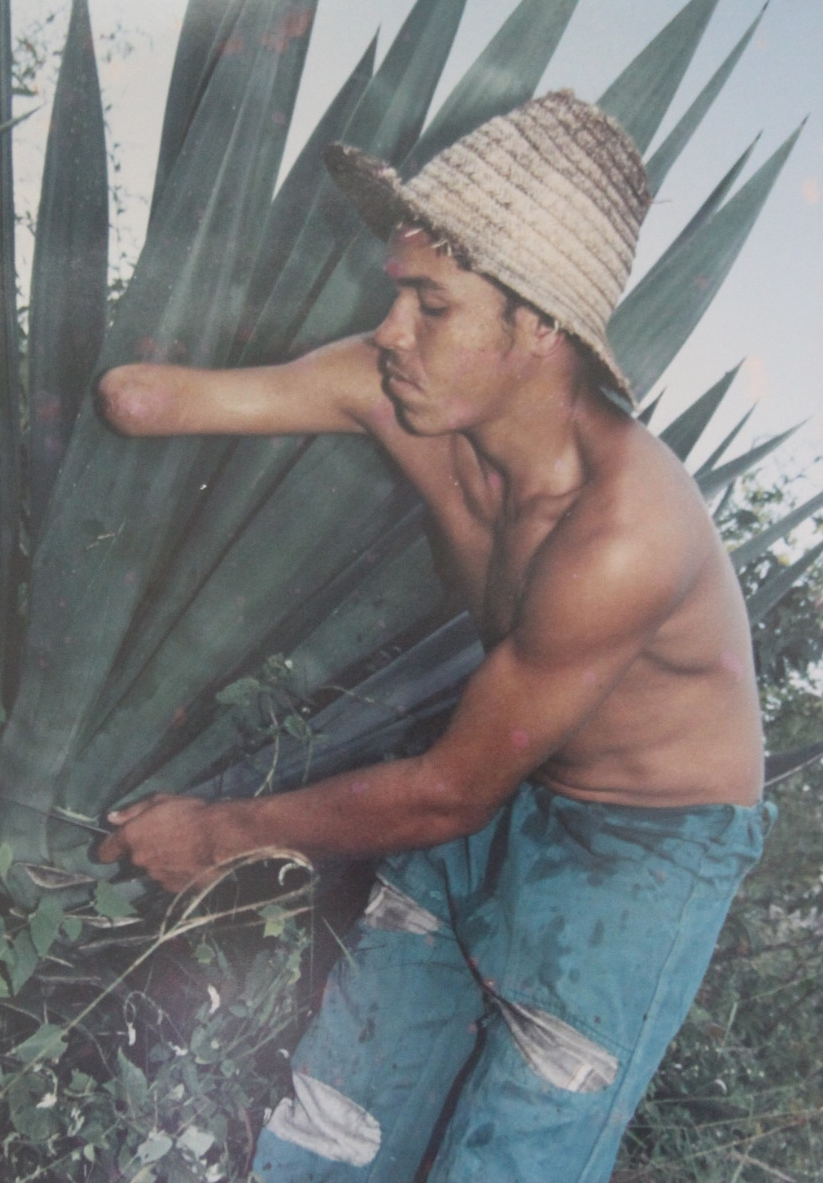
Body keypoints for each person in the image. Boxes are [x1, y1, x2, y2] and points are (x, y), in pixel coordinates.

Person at [95, 91, 772, 1183]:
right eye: (396, 293)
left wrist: (217, 831)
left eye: (432, 306)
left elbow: (447, 792)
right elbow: (139, 399)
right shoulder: (394, 391)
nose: (389, 332)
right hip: (501, 769)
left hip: (635, 853)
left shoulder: (620, 532)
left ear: (538, 326)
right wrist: (122, 380)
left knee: (511, 1161)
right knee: (333, 1125)